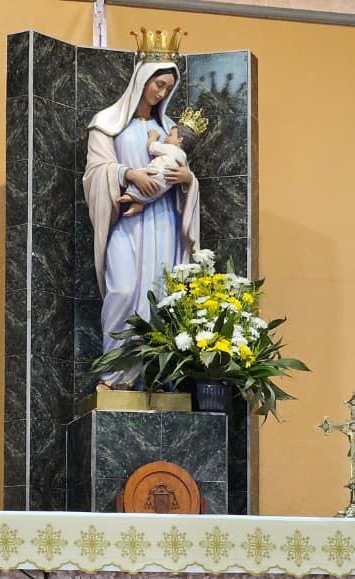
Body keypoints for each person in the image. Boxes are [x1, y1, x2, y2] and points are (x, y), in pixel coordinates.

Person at [83, 53, 199, 389]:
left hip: (163, 224)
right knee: (122, 289)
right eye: (158, 84)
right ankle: (113, 376)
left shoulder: (168, 131)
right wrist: (128, 173)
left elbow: (184, 176)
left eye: (168, 88)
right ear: (142, 80)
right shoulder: (107, 123)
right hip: (127, 221)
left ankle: (152, 378)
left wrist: (188, 179)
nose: (162, 93)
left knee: (158, 295)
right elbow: (94, 174)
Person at [118, 110, 205, 236]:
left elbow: (152, 147)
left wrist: (153, 138)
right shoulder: (183, 157)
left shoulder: (170, 148)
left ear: (180, 140)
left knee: (140, 175)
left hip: (155, 174)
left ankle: (131, 196)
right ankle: (139, 203)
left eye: (170, 135)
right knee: (150, 192)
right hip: (164, 185)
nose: (166, 137)